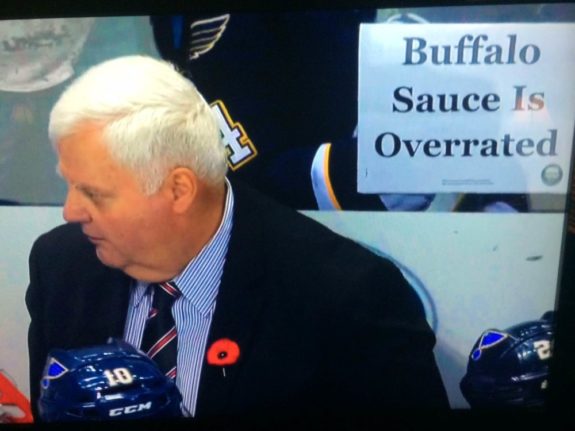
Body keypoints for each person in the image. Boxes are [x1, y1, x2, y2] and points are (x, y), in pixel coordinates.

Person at [26, 55, 449, 422]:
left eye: (93, 194)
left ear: (178, 190)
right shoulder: (61, 266)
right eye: (70, 185)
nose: (70, 212)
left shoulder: (349, 298)